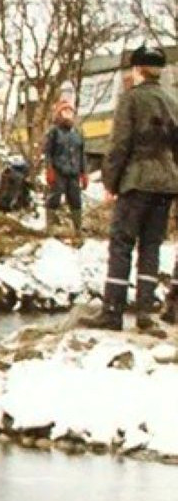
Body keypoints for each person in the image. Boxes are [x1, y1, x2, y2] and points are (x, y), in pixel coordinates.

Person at [82, 46, 178, 331]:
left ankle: (112, 311)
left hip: (136, 181)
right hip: (166, 184)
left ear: (137, 70)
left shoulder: (131, 100)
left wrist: (110, 182)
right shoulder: (171, 102)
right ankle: (145, 314)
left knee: (122, 243)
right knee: (151, 246)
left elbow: (119, 144)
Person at [43, 99, 88, 237]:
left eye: (70, 112)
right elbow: (48, 152)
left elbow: (81, 153)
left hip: (74, 173)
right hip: (59, 172)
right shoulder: (54, 132)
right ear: (59, 114)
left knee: (76, 200)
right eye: (65, 111)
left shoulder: (78, 133)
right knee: (54, 198)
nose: (68, 115)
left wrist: (84, 173)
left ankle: (78, 228)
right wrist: (49, 169)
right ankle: (50, 226)